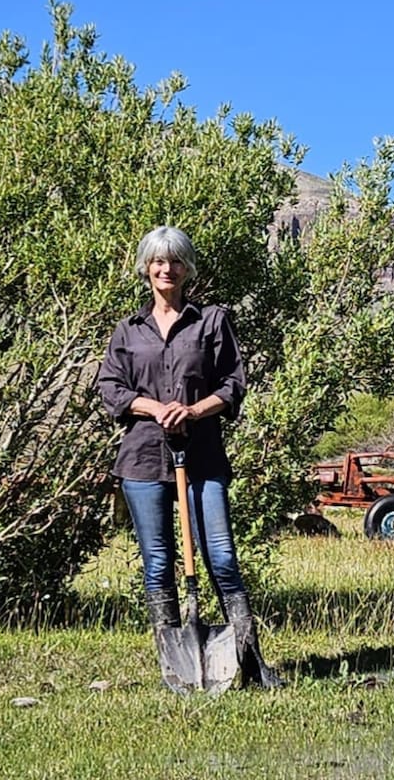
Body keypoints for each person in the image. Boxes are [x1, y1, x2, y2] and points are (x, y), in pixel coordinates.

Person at [97, 225, 280, 690]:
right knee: (158, 563)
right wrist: (153, 407)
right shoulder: (128, 330)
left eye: (176, 260)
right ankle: (176, 670)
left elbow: (233, 384)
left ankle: (250, 663)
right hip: (143, 460)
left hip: (203, 457)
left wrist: (194, 411)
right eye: (159, 261)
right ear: (145, 268)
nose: (167, 269)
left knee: (221, 557)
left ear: (187, 268)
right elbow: (111, 388)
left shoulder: (212, 321)